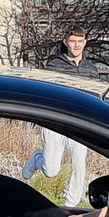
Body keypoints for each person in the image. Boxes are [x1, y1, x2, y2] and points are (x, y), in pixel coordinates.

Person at [38, 29, 99, 205]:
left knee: (79, 162)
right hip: (55, 122)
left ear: (85, 42)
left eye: (80, 41)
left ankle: (71, 204)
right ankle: (37, 158)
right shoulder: (54, 66)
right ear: (66, 42)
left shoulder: (91, 70)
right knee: (50, 170)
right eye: (73, 41)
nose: (76, 45)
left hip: (78, 122)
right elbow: (46, 93)